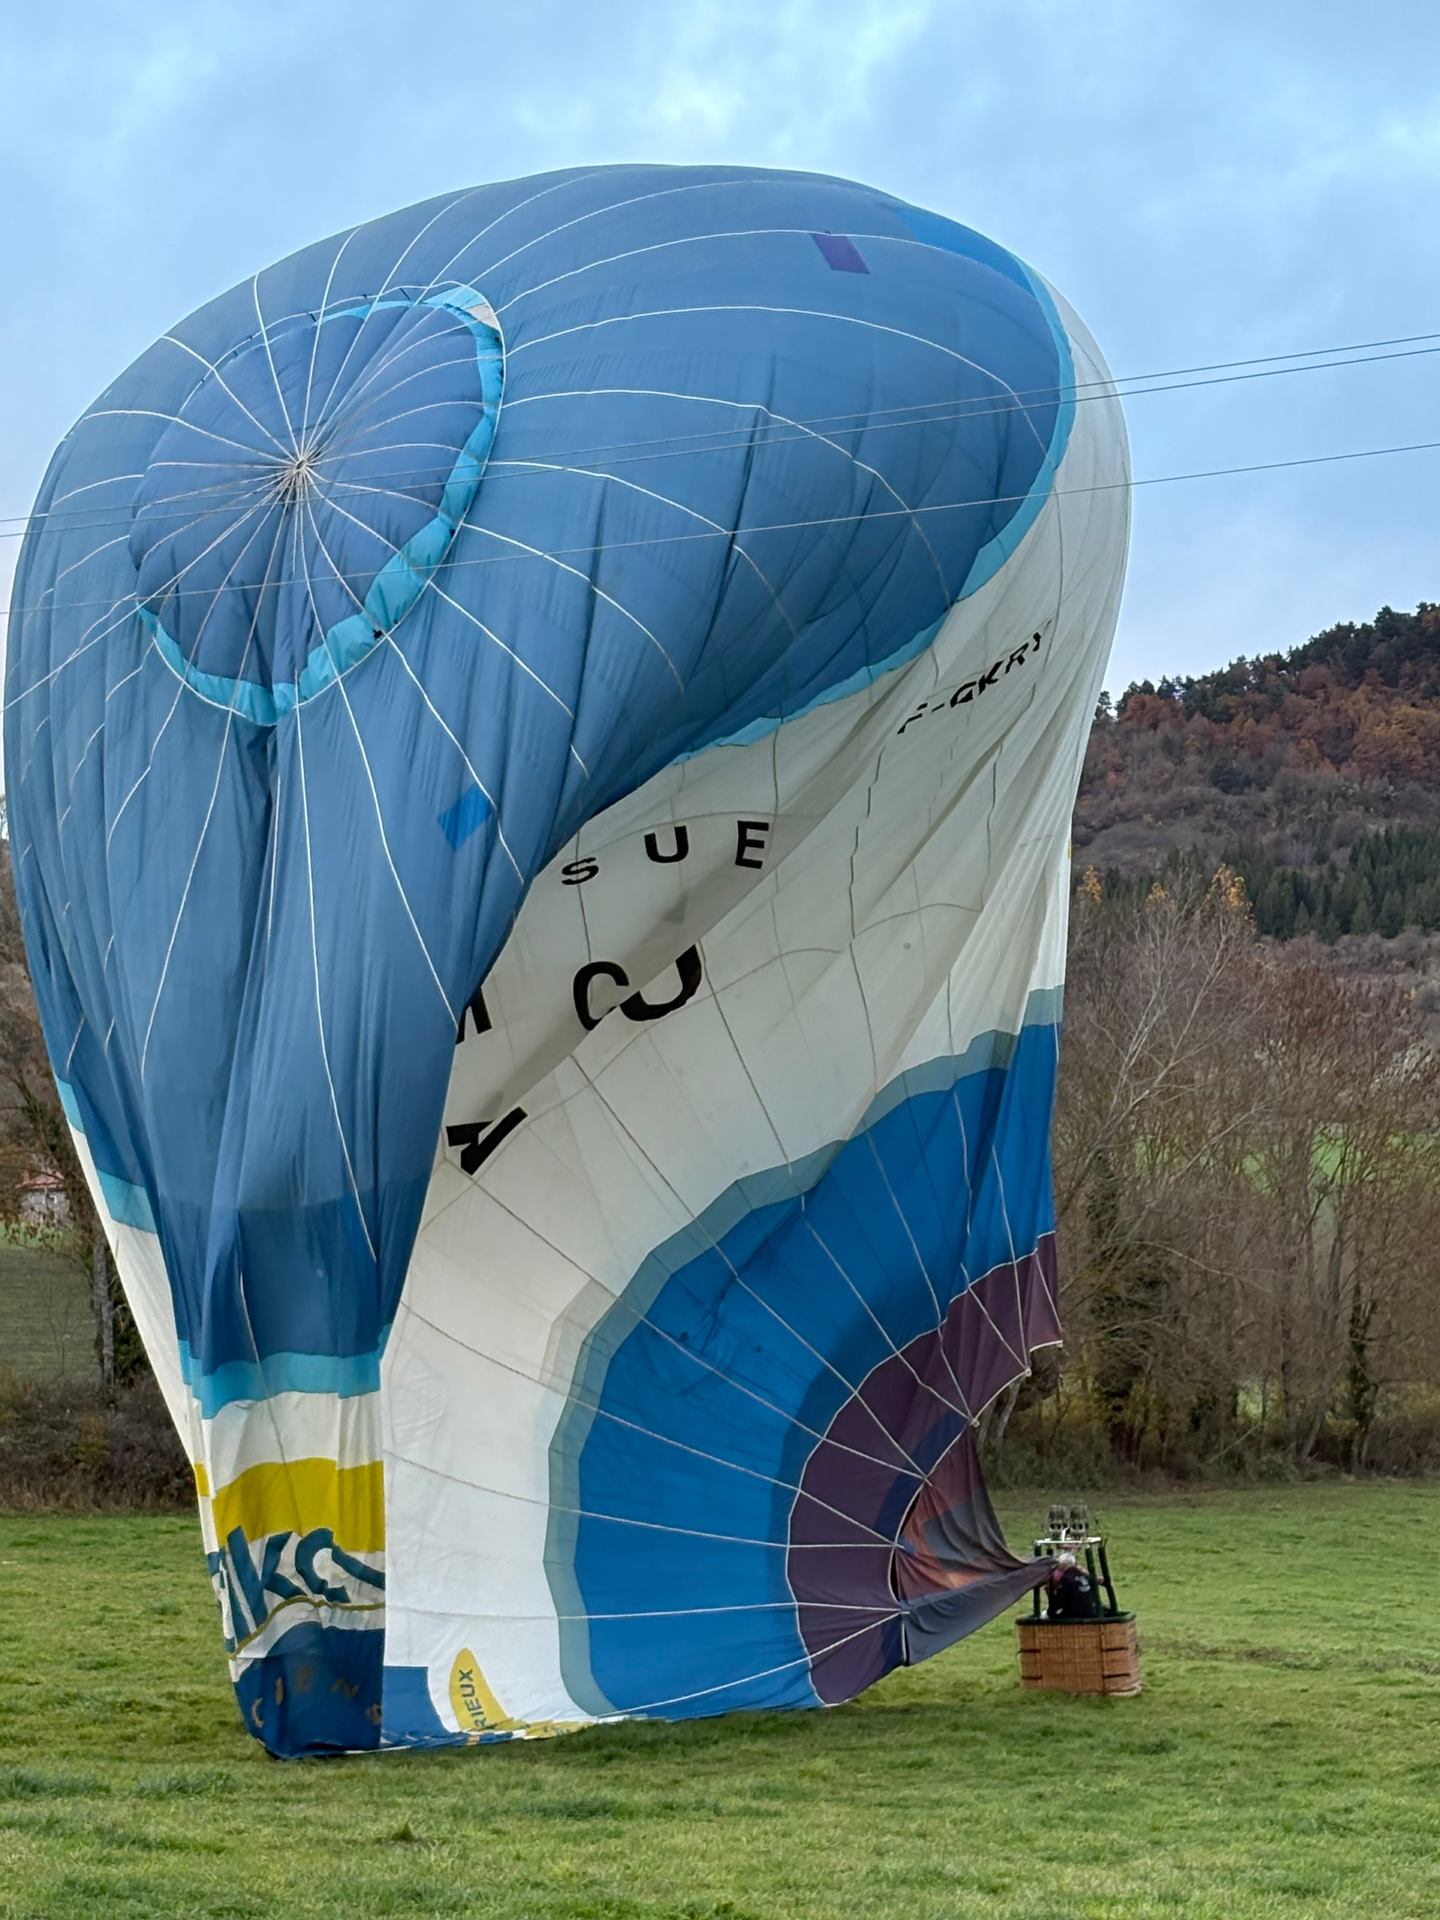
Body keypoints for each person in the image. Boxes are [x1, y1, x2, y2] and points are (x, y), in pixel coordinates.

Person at [1047, 1550, 1098, 1620]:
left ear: (1063, 1565)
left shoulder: (1066, 1579)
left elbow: (1059, 1601)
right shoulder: (1086, 1576)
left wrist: (1050, 1593)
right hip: (1090, 1613)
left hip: (1073, 1615)